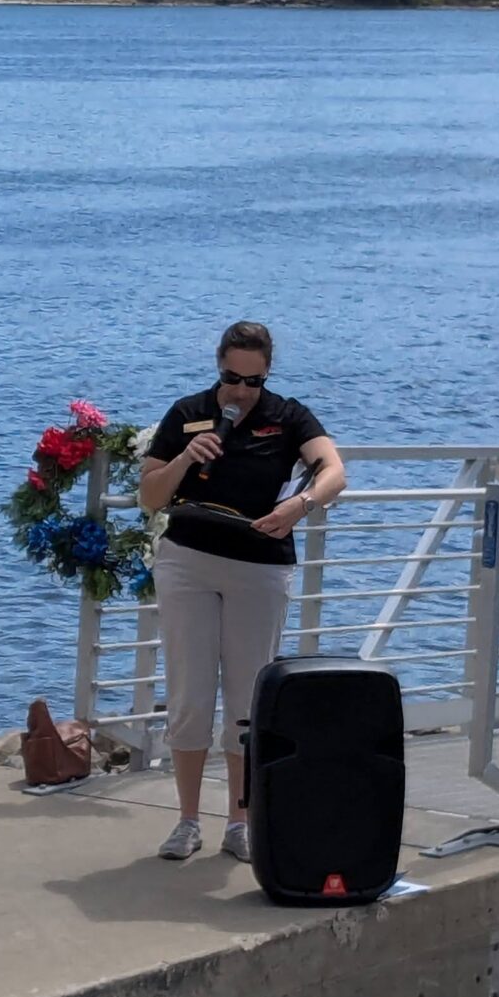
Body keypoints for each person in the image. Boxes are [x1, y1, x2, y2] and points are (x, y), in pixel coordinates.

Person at [138, 320, 346, 864]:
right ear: (218, 367)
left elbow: (334, 471)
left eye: (252, 382)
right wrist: (187, 457)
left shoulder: (287, 415)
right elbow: (149, 496)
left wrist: (299, 506)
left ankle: (239, 821)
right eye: (232, 378)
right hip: (189, 561)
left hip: (258, 563)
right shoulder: (188, 413)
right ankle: (186, 820)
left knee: (248, 699)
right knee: (189, 691)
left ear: (266, 374)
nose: (240, 392)